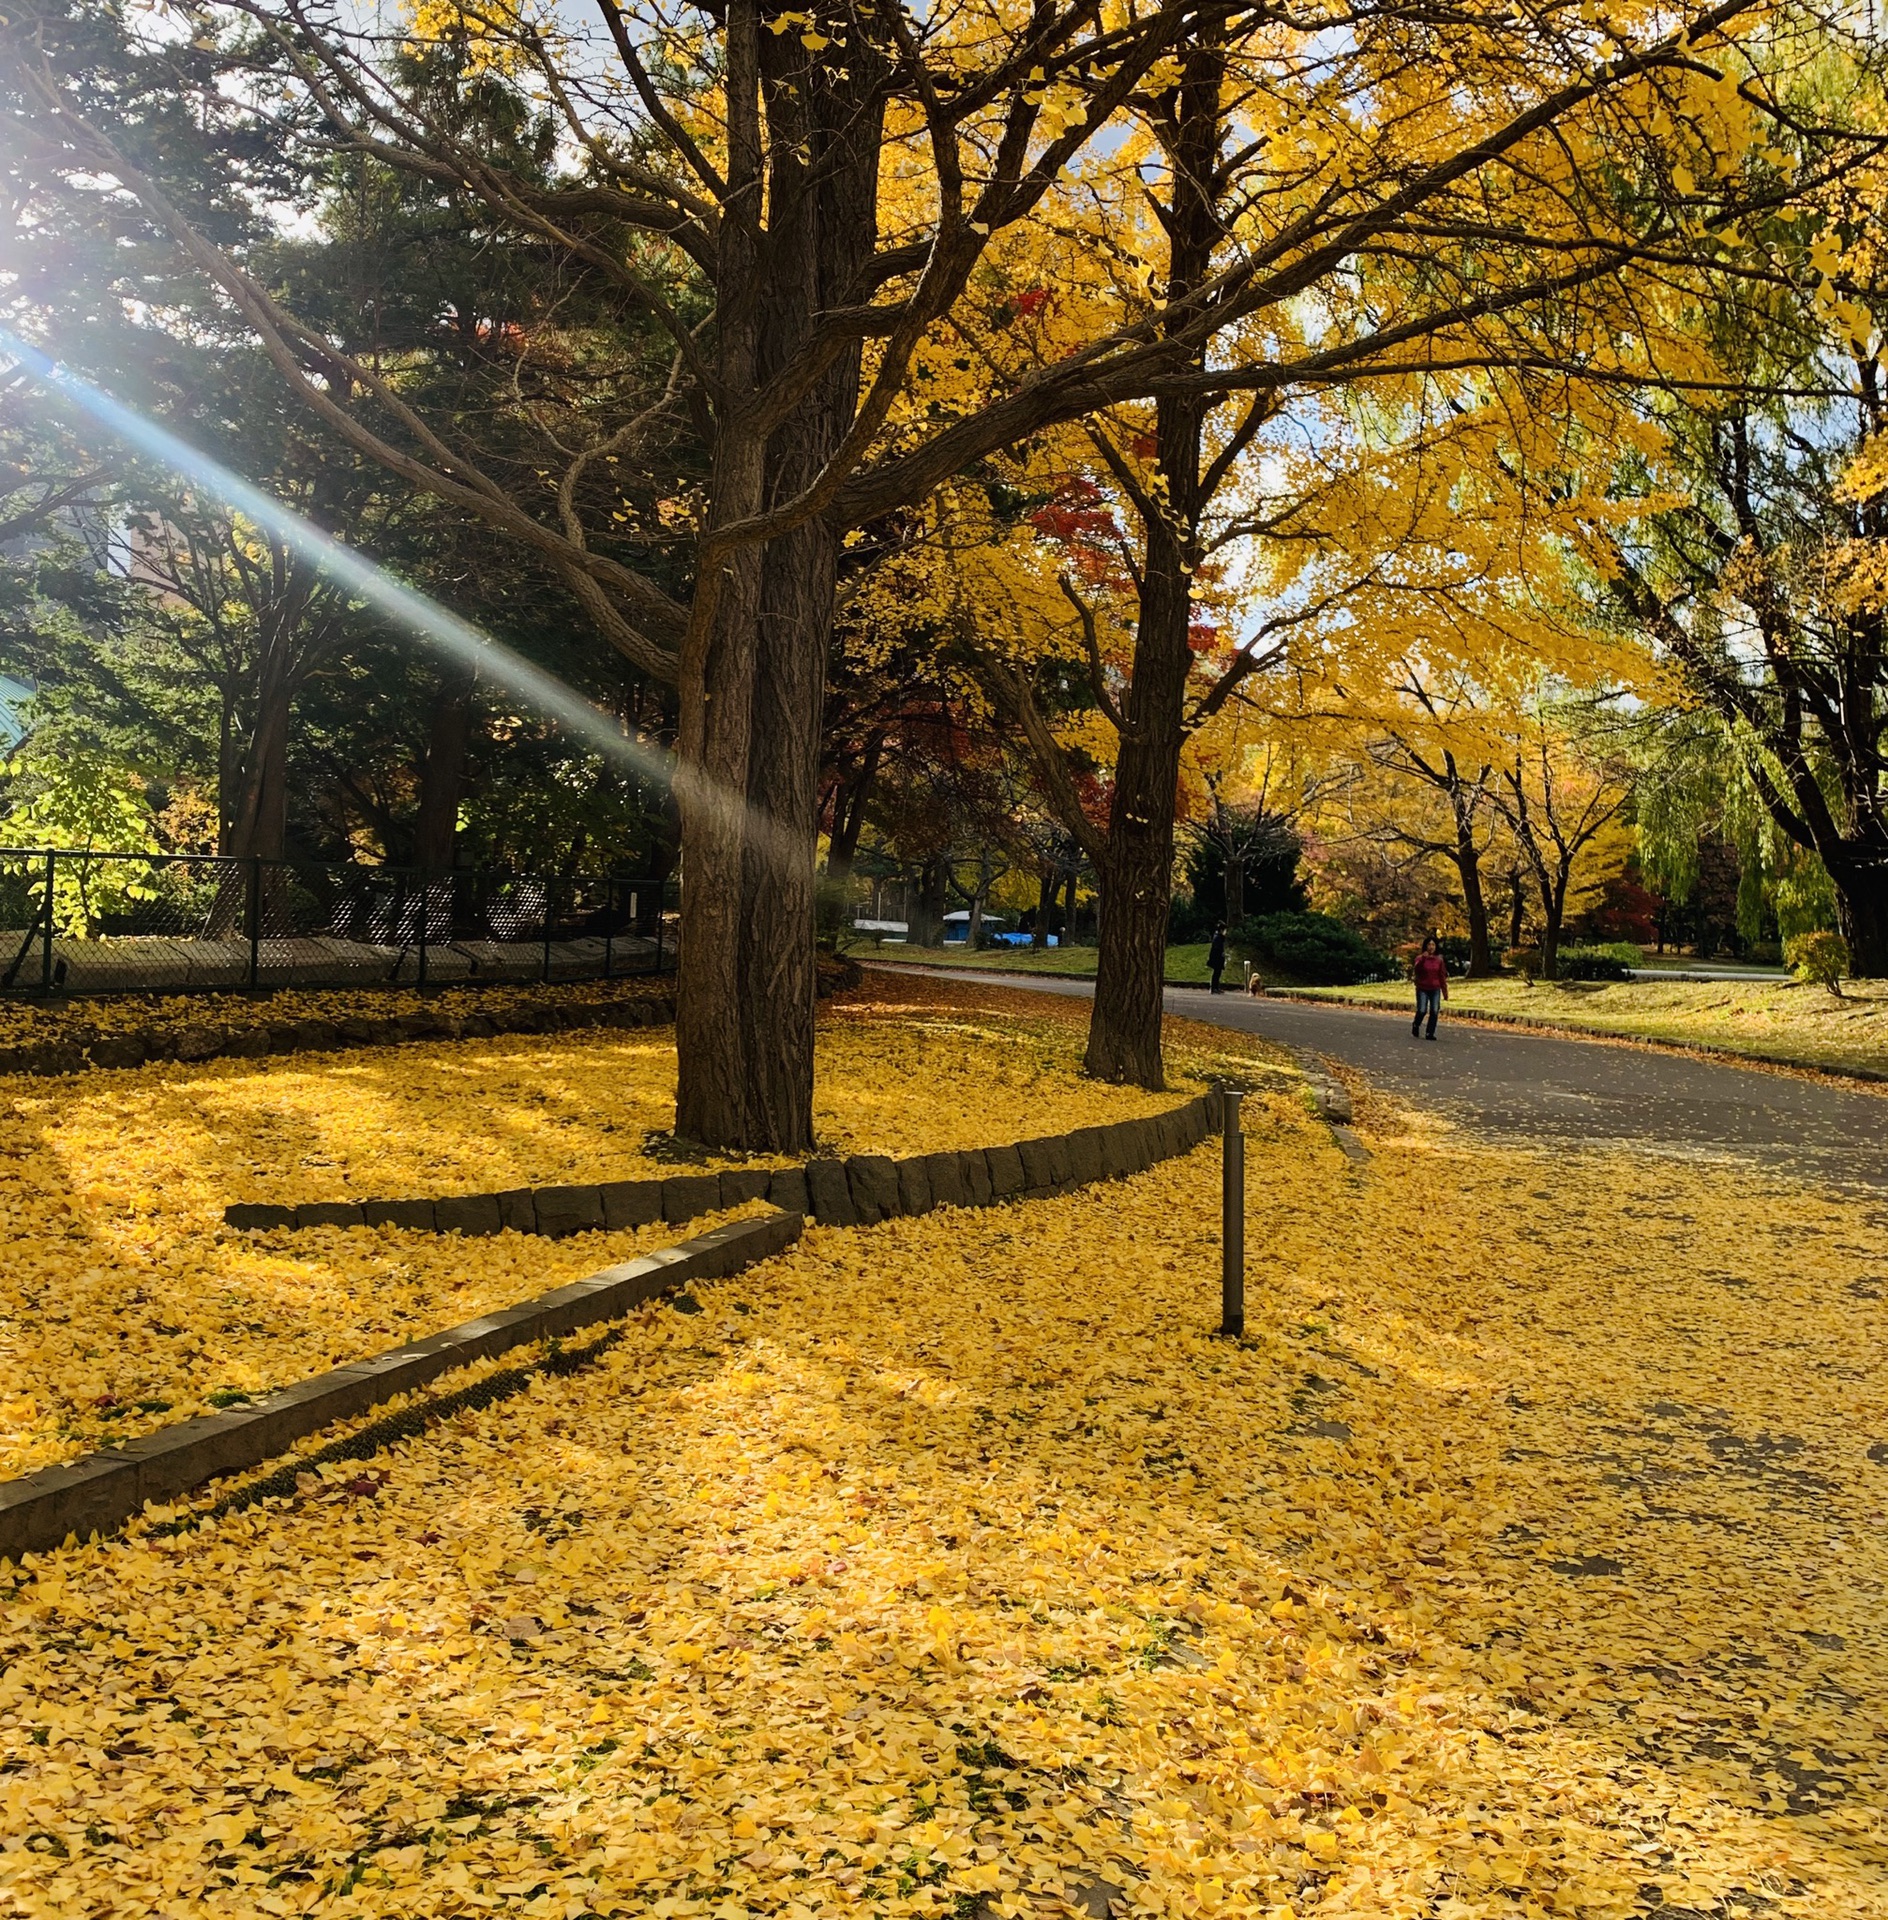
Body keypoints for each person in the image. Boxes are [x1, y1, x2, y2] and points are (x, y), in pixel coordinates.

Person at [1412, 934, 1449, 1039]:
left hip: (1435, 989)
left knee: (1434, 1010)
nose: (1431, 947)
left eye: (1433, 945)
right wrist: (1423, 959)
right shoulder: (1420, 958)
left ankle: (1430, 1033)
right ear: (1426, 946)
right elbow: (1417, 970)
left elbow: (1442, 976)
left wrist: (1445, 991)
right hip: (1422, 988)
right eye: (1429, 944)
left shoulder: (1439, 960)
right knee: (1422, 1010)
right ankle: (1416, 1024)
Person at [1208, 922, 1227, 994]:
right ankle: (1214, 988)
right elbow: (1217, 948)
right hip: (1217, 958)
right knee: (1216, 973)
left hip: (1218, 958)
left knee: (1218, 973)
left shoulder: (1218, 937)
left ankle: (1216, 987)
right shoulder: (1218, 938)